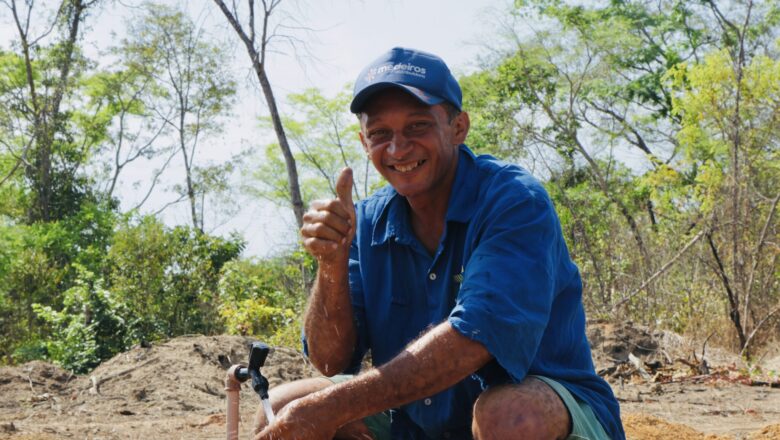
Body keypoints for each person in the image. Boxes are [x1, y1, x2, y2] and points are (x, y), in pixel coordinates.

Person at [254, 47, 625, 440]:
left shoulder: (514, 201)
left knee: (510, 417)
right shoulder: (364, 222)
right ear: (364, 142)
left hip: (548, 414)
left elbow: (474, 336)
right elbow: (330, 361)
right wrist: (330, 263)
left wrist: (330, 408)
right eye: (381, 133)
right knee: (280, 409)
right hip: (415, 422)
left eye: (417, 126)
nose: (398, 149)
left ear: (458, 127)